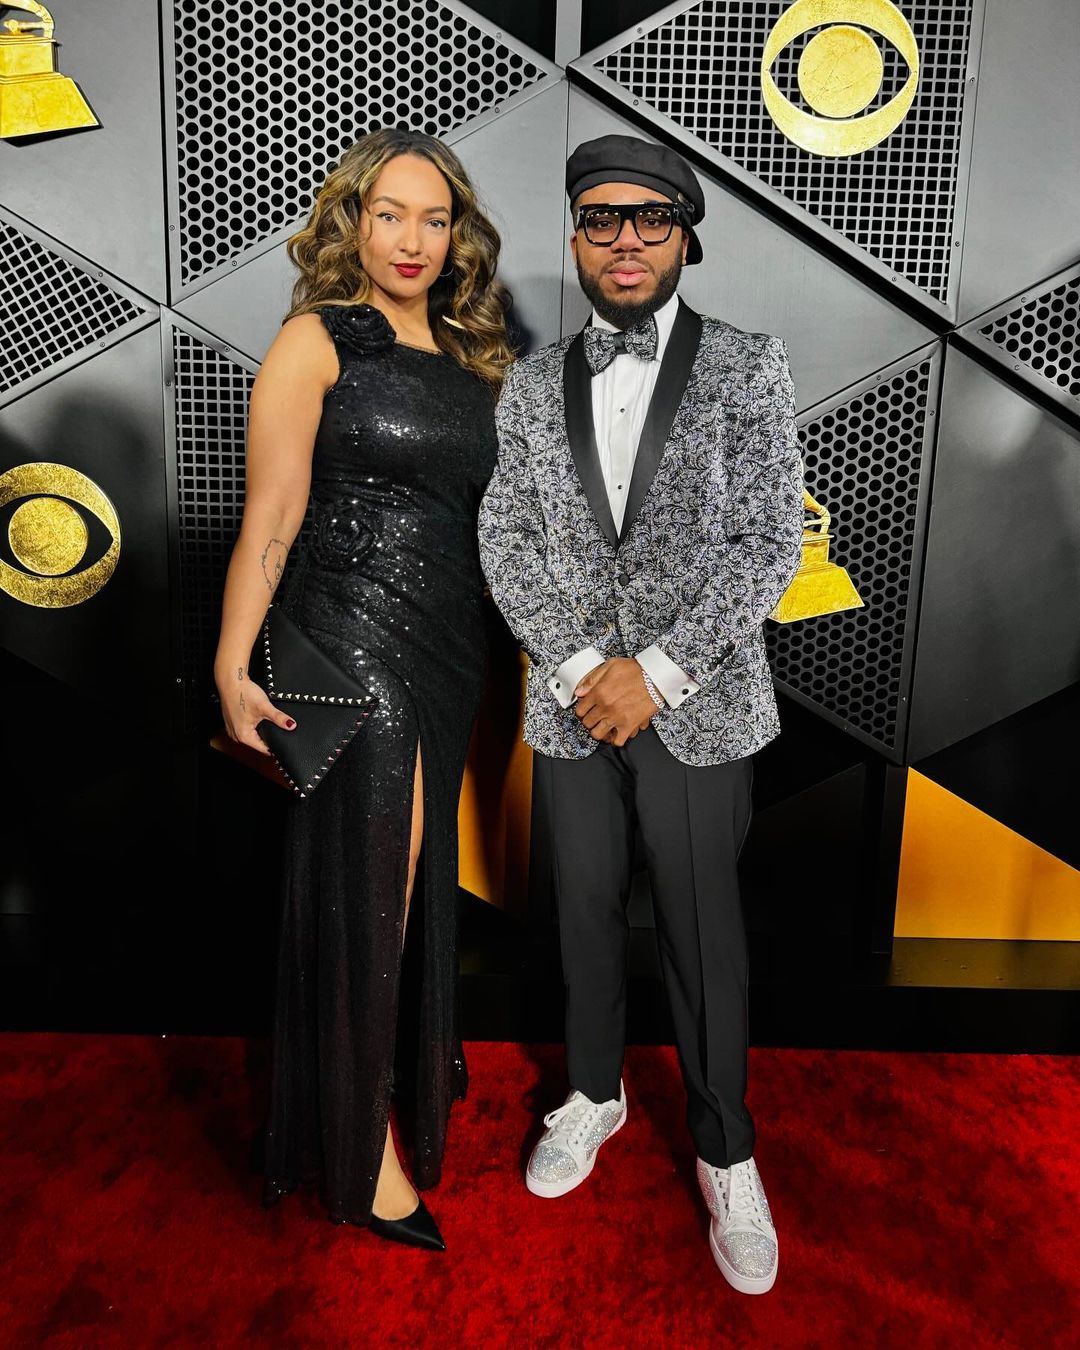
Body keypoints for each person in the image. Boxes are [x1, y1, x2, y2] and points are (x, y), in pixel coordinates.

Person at [478, 134, 803, 1294]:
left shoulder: (751, 366)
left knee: (704, 933)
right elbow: (506, 536)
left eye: (650, 218)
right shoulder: (528, 386)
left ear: (685, 236)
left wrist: (655, 671)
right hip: (574, 707)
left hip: (699, 704)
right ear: (576, 236)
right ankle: (593, 1093)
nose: (625, 240)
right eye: (601, 219)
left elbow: (769, 537)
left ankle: (726, 1149)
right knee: (579, 912)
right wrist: (581, 669)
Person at [214, 127, 511, 1250]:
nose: (411, 239)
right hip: (350, 642)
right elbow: (275, 510)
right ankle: (359, 1147)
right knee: (371, 886)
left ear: (458, 234)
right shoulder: (318, 337)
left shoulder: (473, 356)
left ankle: (361, 1089)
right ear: (355, 220)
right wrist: (232, 661)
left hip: (449, 649)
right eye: (390, 214)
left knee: (399, 884)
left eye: (434, 219)